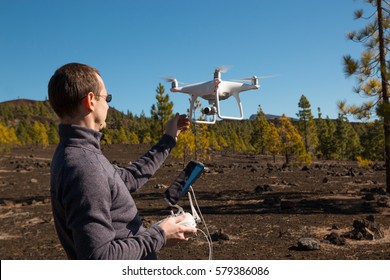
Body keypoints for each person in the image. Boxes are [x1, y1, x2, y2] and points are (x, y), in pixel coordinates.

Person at [48, 62, 196, 260]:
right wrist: (160, 235)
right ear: (91, 100)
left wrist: (168, 139)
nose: (108, 105)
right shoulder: (85, 167)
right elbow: (99, 257)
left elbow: (130, 178)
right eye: (106, 97)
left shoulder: (78, 154)